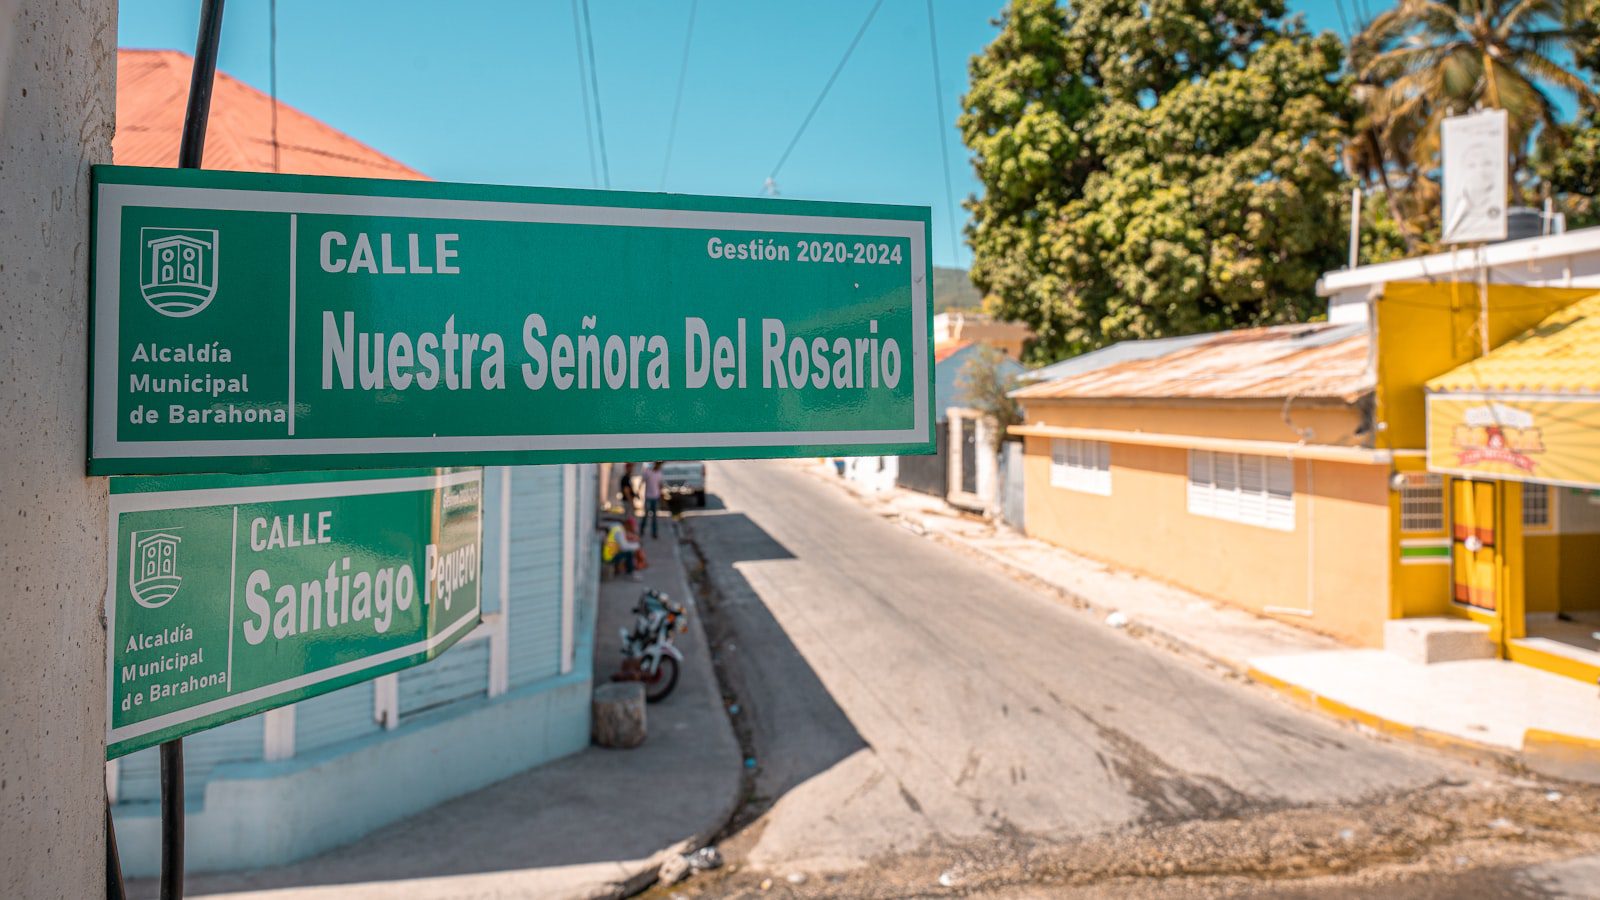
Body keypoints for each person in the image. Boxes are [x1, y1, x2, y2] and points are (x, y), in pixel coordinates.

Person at [642, 461, 665, 539]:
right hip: (648, 497)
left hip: (655, 497)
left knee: (654, 517)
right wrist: (638, 492)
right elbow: (642, 482)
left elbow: (660, 485)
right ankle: (641, 530)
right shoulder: (648, 472)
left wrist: (662, 496)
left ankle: (654, 533)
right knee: (645, 515)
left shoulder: (659, 473)